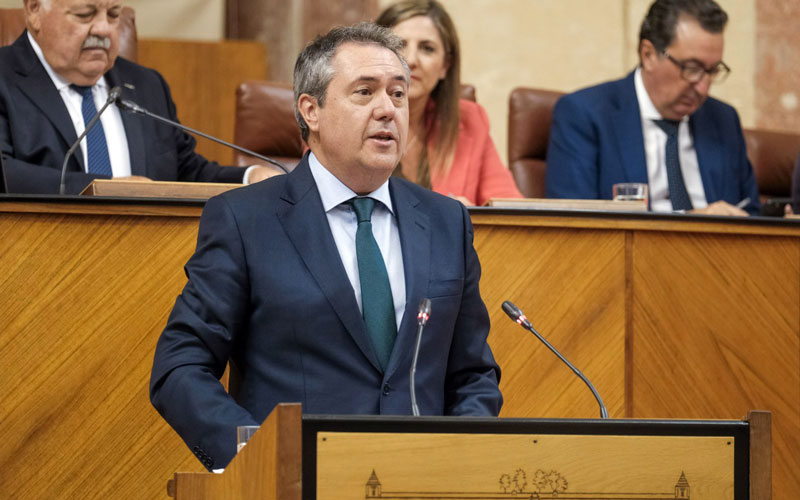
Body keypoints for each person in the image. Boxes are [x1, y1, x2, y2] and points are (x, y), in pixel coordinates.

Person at [150, 22, 503, 471]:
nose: (387, 109)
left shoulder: (445, 221)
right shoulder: (245, 220)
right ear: (310, 110)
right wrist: (258, 458)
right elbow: (180, 366)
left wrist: (459, 457)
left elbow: (473, 373)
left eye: (398, 94)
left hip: (419, 478)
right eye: (364, 92)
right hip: (295, 482)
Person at [0, 0, 278, 194]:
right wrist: (104, 190)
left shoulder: (147, 86)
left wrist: (248, 178)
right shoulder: (4, 78)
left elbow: (186, 173)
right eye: (85, 14)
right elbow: (5, 173)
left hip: (147, 256)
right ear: (34, 9)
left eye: (113, 14)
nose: (103, 29)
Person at [545, 0, 759, 216]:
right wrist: (692, 224)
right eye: (692, 68)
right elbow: (574, 224)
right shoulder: (586, 114)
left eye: (712, 71)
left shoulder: (723, 120)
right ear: (648, 55)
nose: (703, 88)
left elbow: (753, 213)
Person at [375, 0, 521, 206]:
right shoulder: (348, 118)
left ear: (445, 65)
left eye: (427, 48)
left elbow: (511, 209)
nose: (412, 60)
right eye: (399, 46)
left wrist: (469, 215)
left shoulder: (470, 120)